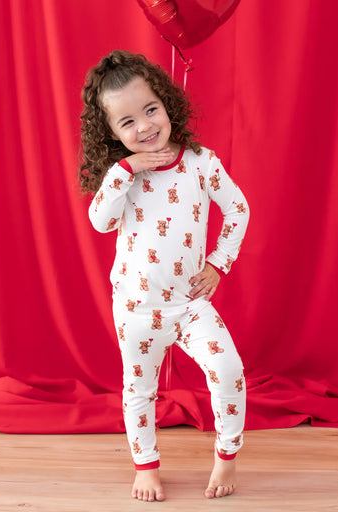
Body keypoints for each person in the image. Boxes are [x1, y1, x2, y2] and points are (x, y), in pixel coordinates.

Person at [79, 49, 249, 502]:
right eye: (128, 122)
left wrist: (218, 263)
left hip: (190, 304)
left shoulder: (201, 162)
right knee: (139, 389)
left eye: (150, 110)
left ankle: (226, 456)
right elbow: (100, 222)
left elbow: (238, 209)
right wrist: (125, 170)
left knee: (228, 370)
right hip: (136, 308)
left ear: (167, 104)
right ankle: (146, 467)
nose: (145, 126)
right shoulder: (122, 176)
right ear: (112, 132)